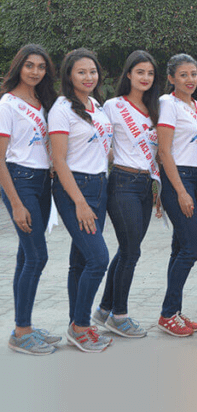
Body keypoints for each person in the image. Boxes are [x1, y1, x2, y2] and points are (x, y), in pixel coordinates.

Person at [92, 50, 160, 338]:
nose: (145, 77)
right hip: (122, 182)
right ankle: (119, 315)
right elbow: (99, 143)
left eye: (150, 73)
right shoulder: (113, 106)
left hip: (146, 185)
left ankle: (104, 309)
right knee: (132, 251)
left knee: (126, 249)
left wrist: (157, 186)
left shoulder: (155, 108)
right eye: (139, 71)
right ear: (129, 74)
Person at [49, 48, 114, 352]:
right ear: (69, 76)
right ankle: (81, 324)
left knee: (80, 261)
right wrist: (79, 202)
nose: (89, 77)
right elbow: (59, 161)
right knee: (99, 258)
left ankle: (77, 324)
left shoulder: (96, 106)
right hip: (76, 188)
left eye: (92, 71)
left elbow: (103, 148)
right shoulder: (62, 109)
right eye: (81, 72)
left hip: (99, 184)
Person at [0, 44, 60, 355]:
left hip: (42, 181)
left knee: (27, 256)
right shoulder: (7, 104)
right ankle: (21, 331)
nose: (35, 71)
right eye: (29, 65)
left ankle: (24, 326)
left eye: (41, 66)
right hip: (19, 180)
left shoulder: (43, 102)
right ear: (19, 67)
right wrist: (17, 204)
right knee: (37, 256)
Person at [156, 54, 197, 336]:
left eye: (194, 74)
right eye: (183, 74)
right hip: (179, 179)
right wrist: (181, 191)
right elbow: (164, 151)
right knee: (191, 249)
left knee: (179, 248)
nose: (190, 79)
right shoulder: (167, 104)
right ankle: (167, 314)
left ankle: (173, 311)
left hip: (196, 178)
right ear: (172, 78)